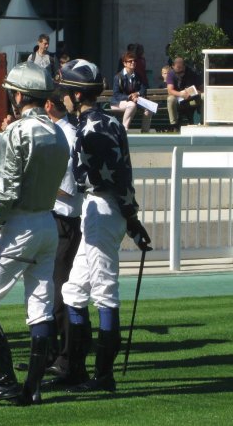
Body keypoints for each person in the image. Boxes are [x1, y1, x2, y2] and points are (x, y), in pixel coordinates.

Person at [0, 61, 69, 406]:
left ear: (20, 95)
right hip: (47, 224)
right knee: (39, 308)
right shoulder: (58, 131)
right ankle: (33, 387)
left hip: (21, 225)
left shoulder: (16, 132)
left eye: (12, 92)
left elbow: (7, 191)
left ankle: (6, 382)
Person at [58, 59, 151, 393]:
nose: (61, 96)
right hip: (104, 209)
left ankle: (103, 377)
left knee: (105, 294)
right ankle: (77, 369)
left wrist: (131, 219)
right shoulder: (110, 123)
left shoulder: (87, 130)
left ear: (76, 94)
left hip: (99, 208)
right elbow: (124, 174)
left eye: (65, 91)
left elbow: (103, 179)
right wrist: (132, 218)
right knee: (73, 291)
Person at [41, 87, 83, 378]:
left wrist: (35, 182)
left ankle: (67, 358)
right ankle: (51, 354)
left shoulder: (66, 135)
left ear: (48, 105)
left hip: (65, 220)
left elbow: (66, 189)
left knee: (61, 292)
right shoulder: (60, 131)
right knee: (48, 291)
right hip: (54, 218)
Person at [111, 51, 151, 132]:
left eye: (134, 61)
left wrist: (137, 94)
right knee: (131, 105)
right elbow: (116, 94)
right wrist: (129, 97)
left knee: (149, 107)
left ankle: (145, 131)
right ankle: (124, 129)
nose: (133, 62)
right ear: (124, 63)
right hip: (117, 103)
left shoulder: (137, 75)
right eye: (130, 61)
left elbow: (143, 89)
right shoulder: (118, 77)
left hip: (134, 101)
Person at [166, 56, 203, 130]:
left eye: (182, 71)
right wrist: (181, 94)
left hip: (192, 100)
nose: (180, 74)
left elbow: (201, 88)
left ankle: (203, 121)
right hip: (178, 99)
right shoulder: (171, 74)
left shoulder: (192, 72)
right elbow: (170, 90)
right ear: (173, 67)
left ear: (184, 66)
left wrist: (195, 92)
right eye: (177, 72)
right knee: (170, 99)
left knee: (204, 96)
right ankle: (174, 124)